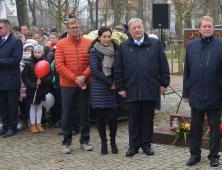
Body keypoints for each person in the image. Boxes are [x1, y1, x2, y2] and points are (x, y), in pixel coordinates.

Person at [114, 18, 170, 157]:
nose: (137, 30)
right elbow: (118, 68)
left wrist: (164, 83)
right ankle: (133, 145)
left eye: (139, 27)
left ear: (143, 28)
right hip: (131, 88)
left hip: (150, 87)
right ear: (130, 31)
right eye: (134, 28)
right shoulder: (124, 46)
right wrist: (120, 87)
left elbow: (163, 64)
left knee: (147, 118)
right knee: (133, 119)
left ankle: (146, 145)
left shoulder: (155, 44)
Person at [183, 16, 222, 167]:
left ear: (213, 28)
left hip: (214, 94)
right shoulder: (191, 46)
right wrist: (186, 93)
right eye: (204, 26)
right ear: (199, 29)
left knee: (214, 128)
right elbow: (187, 71)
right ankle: (195, 154)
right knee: (195, 127)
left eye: (210, 26)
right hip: (196, 93)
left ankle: (214, 155)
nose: (207, 29)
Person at [55, 17, 93, 154]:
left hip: (85, 82)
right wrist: (75, 78)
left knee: (84, 113)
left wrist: (84, 76)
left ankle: (85, 141)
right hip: (67, 85)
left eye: (76, 27)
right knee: (67, 113)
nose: (75, 30)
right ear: (67, 29)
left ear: (79, 27)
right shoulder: (60, 44)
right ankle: (66, 142)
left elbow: (92, 63)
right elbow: (59, 65)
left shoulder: (89, 43)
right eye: (72, 28)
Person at [89, 27, 120, 155]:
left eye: (109, 36)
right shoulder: (94, 51)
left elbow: (119, 68)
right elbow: (95, 71)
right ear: (99, 37)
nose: (107, 39)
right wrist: (110, 83)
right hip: (99, 89)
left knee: (113, 118)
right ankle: (104, 143)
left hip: (112, 89)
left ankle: (113, 141)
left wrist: (116, 82)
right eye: (104, 36)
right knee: (100, 119)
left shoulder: (116, 50)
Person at [0, 19, 23, 138]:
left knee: (12, 105)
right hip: (0, 78)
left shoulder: (16, 42)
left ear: (8, 28)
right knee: (3, 105)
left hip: (11, 79)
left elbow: (16, 59)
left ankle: (12, 127)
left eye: (0, 27)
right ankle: (5, 126)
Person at [22, 45, 51, 134]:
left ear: (43, 53)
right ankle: (32, 124)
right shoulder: (29, 63)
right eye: (35, 52)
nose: (37, 54)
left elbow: (50, 76)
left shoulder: (46, 62)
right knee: (32, 106)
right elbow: (25, 77)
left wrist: (42, 81)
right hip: (32, 89)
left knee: (39, 106)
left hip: (42, 88)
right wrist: (33, 85)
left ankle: (39, 123)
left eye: (39, 52)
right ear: (32, 53)